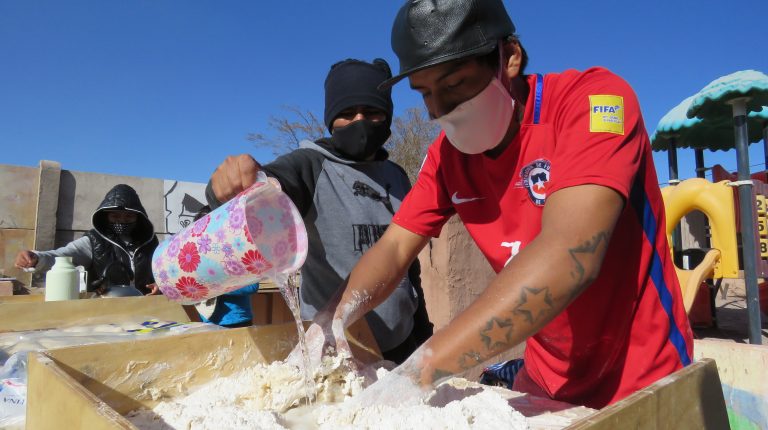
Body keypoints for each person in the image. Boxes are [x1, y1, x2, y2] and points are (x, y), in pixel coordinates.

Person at [305, 0, 694, 409]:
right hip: (546, 380)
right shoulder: (446, 159)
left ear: (508, 57)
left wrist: (423, 368)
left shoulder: (593, 102)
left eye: (454, 85)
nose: (439, 109)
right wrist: (333, 320)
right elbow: (394, 247)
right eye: (425, 93)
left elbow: (569, 255)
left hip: (646, 379)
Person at [205, 58, 433, 363]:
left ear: (388, 116)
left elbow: (409, 265)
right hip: (338, 352)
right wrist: (229, 186)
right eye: (347, 113)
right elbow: (266, 188)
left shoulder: (397, 176)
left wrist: (422, 333)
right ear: (331, 119)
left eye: (372, 112)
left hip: (404, 343)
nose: (360, 121)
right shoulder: (308, 167)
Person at [14, 184, 161, 295]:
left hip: (145, 308)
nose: (122, 221)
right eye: (115, 216)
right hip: (105, 310)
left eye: (128, 216)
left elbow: (163, 271)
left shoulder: (150, 242)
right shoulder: (94, 241)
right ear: (106, 217)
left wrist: (162, 285)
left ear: (138, 217)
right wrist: (37, 258)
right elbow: (63, 256)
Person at [191, 205, 260, 328]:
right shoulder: (197, 257)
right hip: (208, 322)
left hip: (237, 322)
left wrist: (216, 287)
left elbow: (252, 286)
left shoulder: (236, 252)